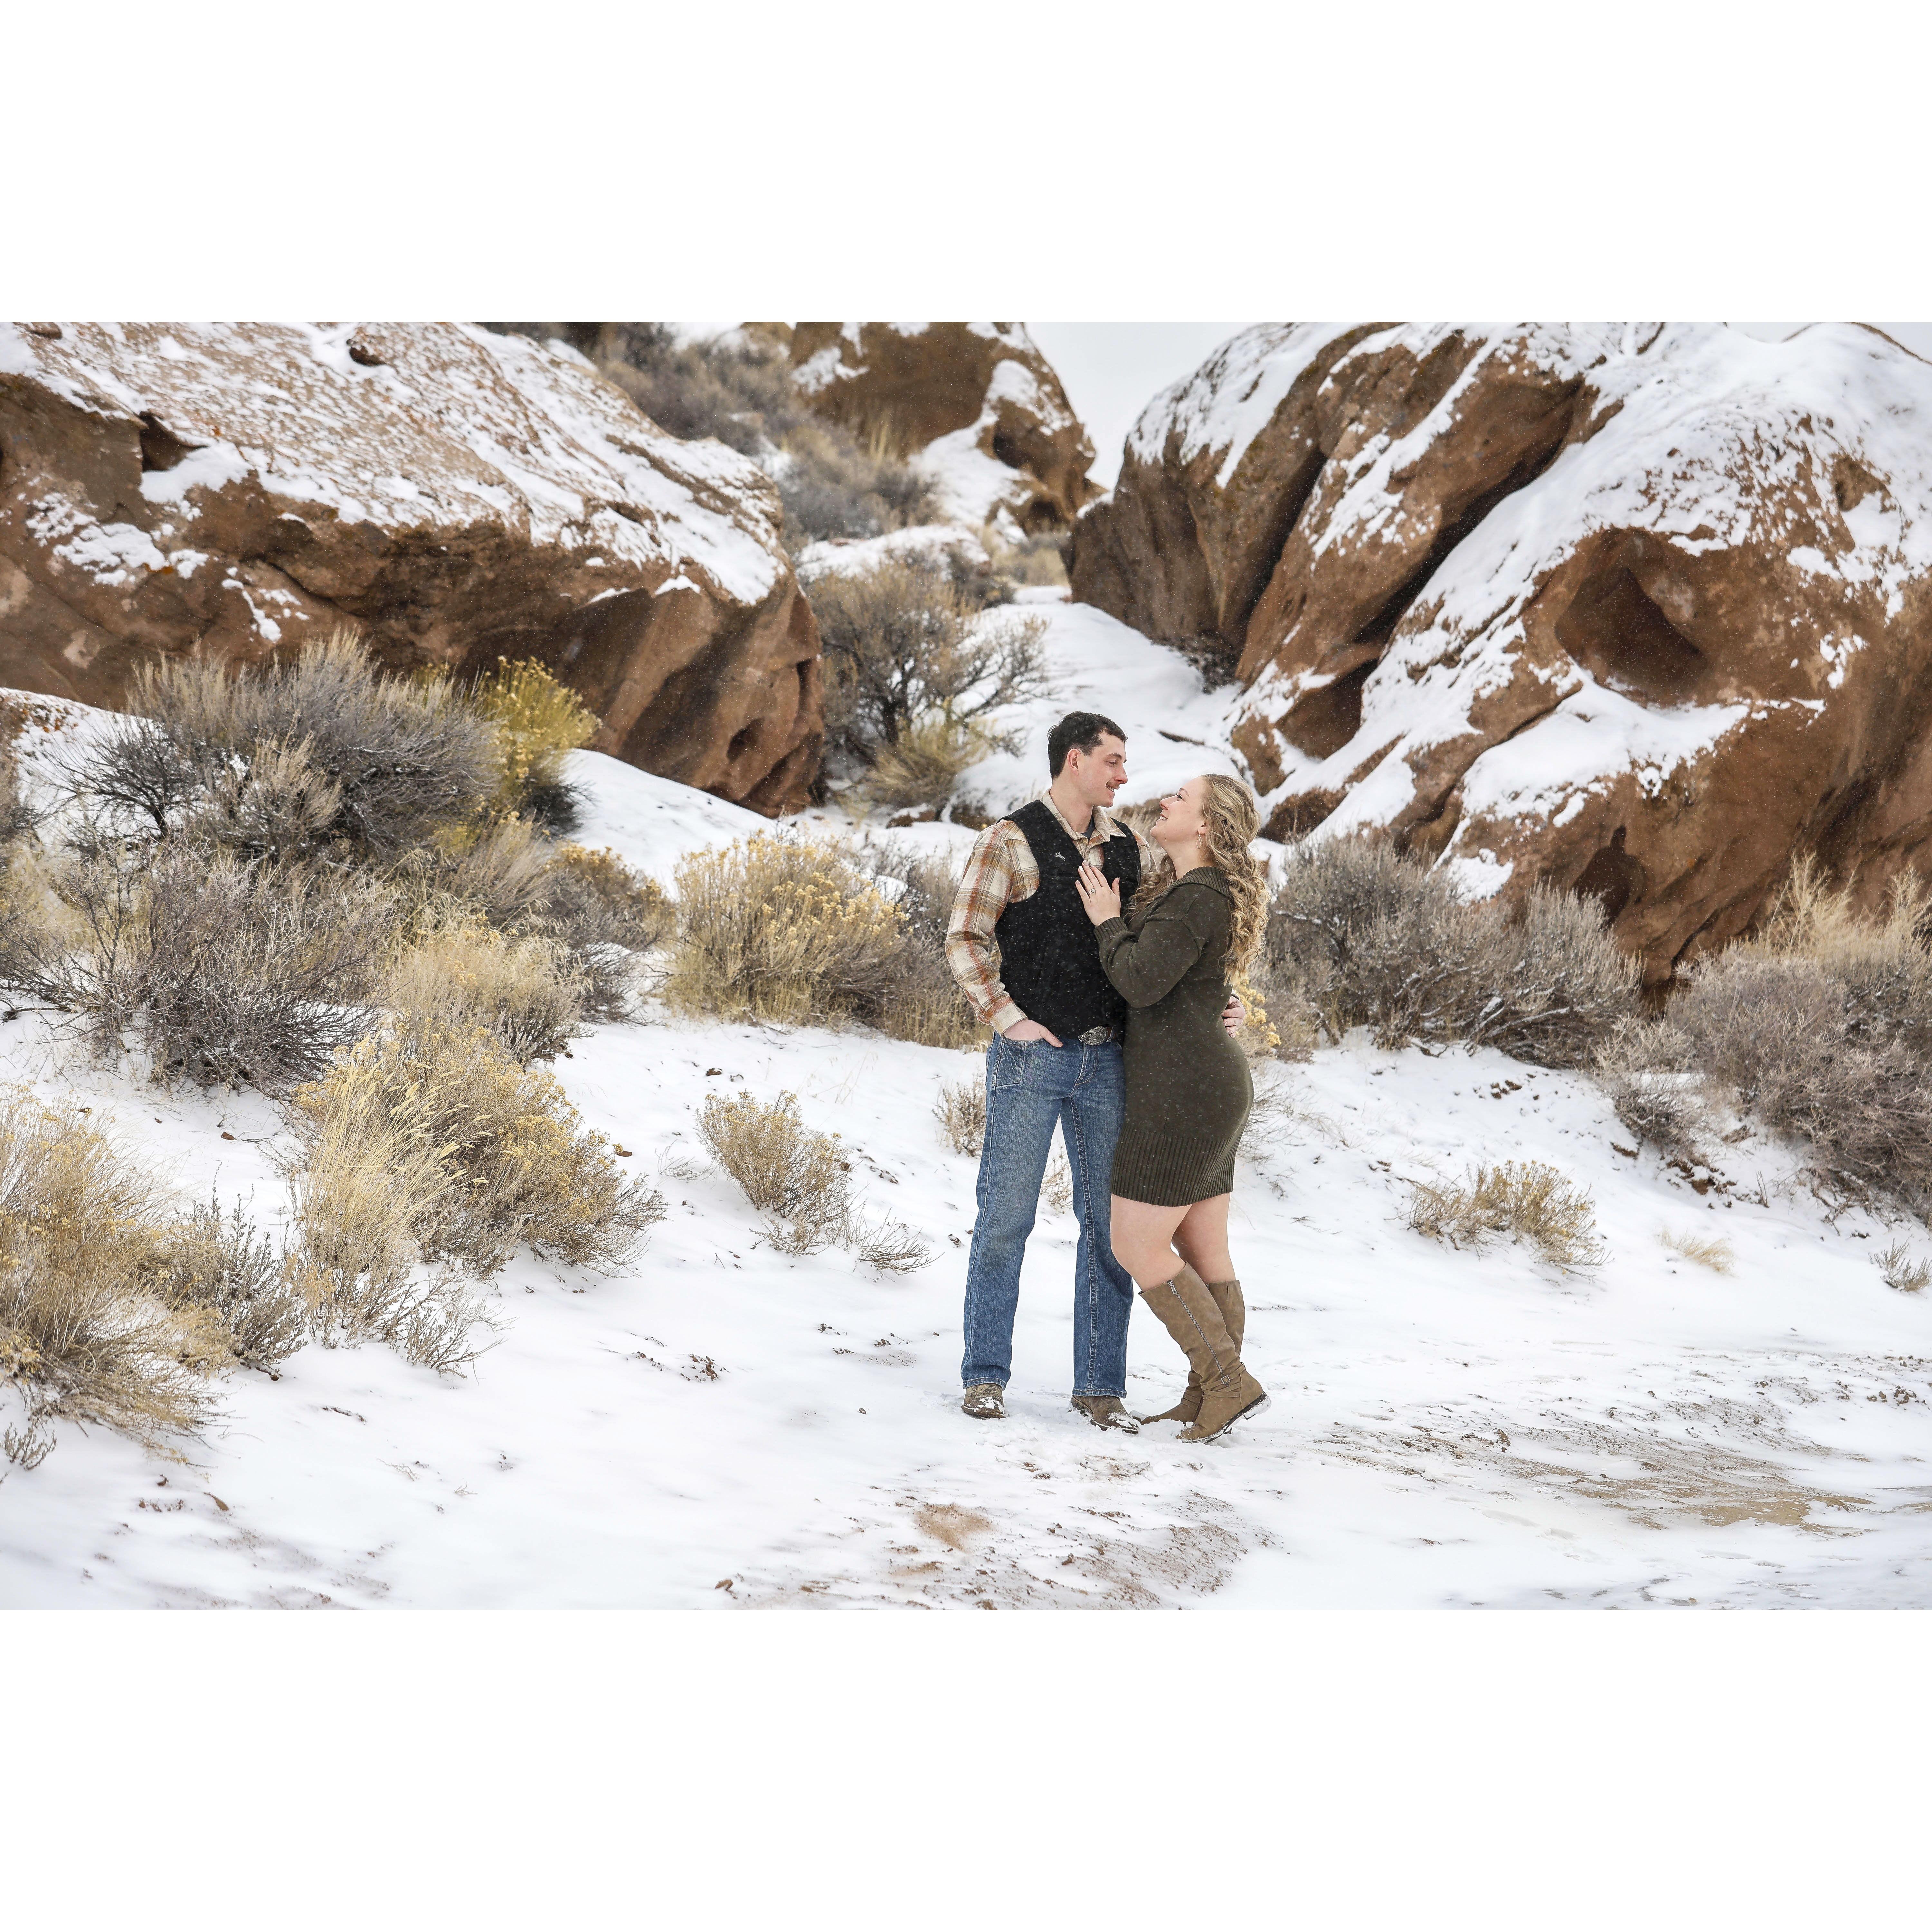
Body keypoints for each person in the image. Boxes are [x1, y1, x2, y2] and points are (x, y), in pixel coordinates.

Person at [945, 713, 1245, 1430]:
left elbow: (1163, 945)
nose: (1123, 776)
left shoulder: (1130, 847)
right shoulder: (1009, 840)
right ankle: (985, 1377)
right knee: (1006, 1219)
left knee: (1106, 1232)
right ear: (1074, 761)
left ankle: (1100, 1389)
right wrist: (1008, 1019)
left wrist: (1220, 998)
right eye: (1112, 761)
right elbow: (964, 937)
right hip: (1031, 1060)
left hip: (1111, 1062)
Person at [1072, 773, 1271, 1442]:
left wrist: (1106, 922)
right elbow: (1188, 981)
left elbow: (1139, 980)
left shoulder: (1198, 895)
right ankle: (1207, 1394)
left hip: (1184, 1092)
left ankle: (1226, 1382)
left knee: (1135, 1242)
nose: (1165, 801)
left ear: (1208, 825)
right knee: (1203, 1248)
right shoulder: (1190, 892)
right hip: (1206, 1083)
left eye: (1181, 799)